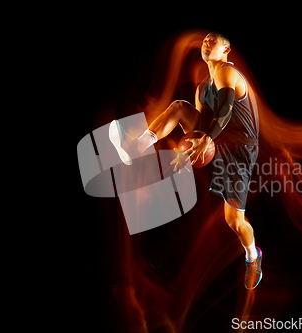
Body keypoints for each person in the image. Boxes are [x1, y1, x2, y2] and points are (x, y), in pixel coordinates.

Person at [109, 32, 262, 289]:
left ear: (226, 50)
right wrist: (186, 152)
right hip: (215, 142)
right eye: (205, 39)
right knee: (179, 107)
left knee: (234, 222)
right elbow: (198, 131)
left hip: (239, 149)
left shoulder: (227, 73)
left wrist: (206, 139)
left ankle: (252, 256)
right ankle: (137, 146)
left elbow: (224, 111)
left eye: (214, 39)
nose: (207, 41)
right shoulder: (203, 89)